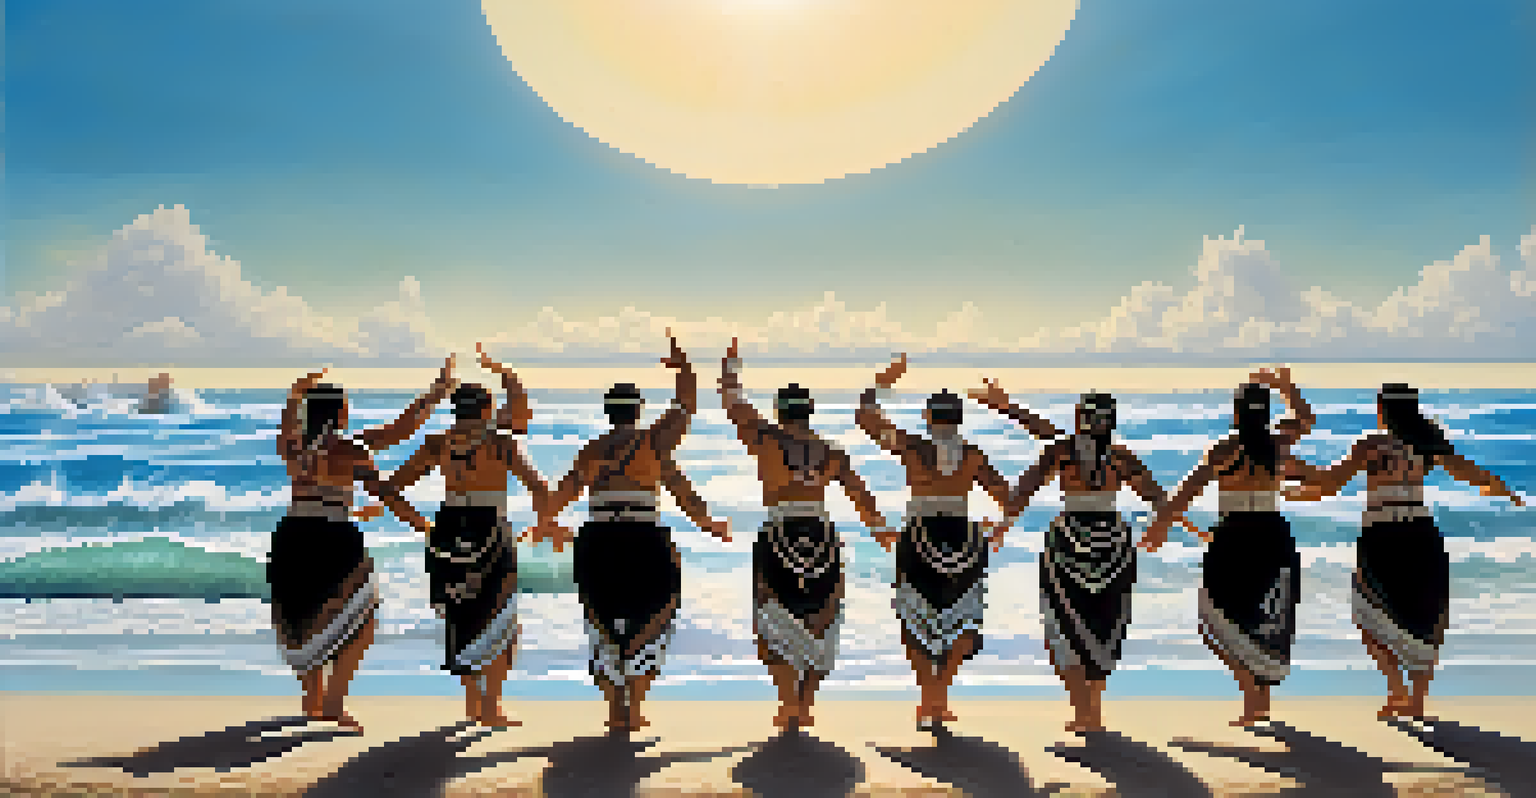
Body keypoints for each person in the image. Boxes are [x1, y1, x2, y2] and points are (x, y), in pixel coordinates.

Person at [1283, 383, 1525, 720]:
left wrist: (1294, 485)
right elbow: (1473, 474)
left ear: (1383, 409)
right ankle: (1417, 700)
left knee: (1368, 614)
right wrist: (1503, 490)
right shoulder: (1428, 445)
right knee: (1425, 616)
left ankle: (1396, 688)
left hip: (1382, 535)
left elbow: (1329, 484)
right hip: (1421, 534)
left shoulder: (1373, 445)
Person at [532, 331, 730, 732]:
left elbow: (563, 492)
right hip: (643, 538)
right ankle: (635, 707)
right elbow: (685, 410)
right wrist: (684, 368)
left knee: (600, 621)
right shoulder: (653, 445)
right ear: (637, 411)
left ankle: (613, 710)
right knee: (653, 616)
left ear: (609, 412)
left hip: (599, 539)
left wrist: (545, 525)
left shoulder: (591, 451)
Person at [268, 360, 453, 732]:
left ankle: (313, 701)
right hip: (333, 537)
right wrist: (424, 525)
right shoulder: (351, 450)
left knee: (302, 616)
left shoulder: (292, 446)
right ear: (340, 412)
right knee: (362, 620)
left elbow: (397, 432)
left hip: (292, 535)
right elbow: (385, 491)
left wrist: (294, 393)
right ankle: (333, 704)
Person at [719, 338, 890, 729]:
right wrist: (880, 531)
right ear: (810, 413)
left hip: (779, 530)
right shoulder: (831, 452)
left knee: (771, 619)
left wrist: (731, 371)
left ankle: (787, 703)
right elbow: (862, 495)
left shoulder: (764, 438)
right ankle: (805, 704)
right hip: (820, 534)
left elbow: (733, 405)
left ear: (779, 412)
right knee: (821, 621)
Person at [383, 344, 548, 728]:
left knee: (462, 616)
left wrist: (420, 523)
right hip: (490, 527)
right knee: (500, 616)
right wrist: (545, 523)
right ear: (487, 410)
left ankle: (474, 705)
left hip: (449, 528)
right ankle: (491, 708)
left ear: (455, 410)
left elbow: (390, 489)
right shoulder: (499, 444)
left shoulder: (437, 444)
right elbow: (538, 485)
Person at [1143, 368, 1317, 727]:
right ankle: (1259, 699)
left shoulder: (1225, 450)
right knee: (1267, 618)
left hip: (1234, 536)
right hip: (1272, 534)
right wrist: (1287, 388)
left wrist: (1160, 526)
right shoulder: (1277, 447)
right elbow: (1305, 419)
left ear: (1236, 414)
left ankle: (1254, 700)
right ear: (1265, 414)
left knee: (1213, 620)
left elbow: (1185, 494)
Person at [1006, 389, 1186, 733]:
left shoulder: (1062, 452)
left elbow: (1022, 491)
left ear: (1079, 419)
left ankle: (1082, 711)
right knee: (1105, 624)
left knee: (1063, 623)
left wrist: (1002, 525)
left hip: (1068, 539)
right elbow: (1158, 498)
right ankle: (1093, 710)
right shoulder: (1121, 457)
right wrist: (1168, 527)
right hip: (1113, 541)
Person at [856, 354, 1013, 730]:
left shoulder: (911, 447)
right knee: (962, 620)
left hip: (919, 535)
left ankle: (928, 698)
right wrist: (999, 525)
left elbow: (865, 417)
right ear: (958, 418)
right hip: (963, 536)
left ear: (928, 418)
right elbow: (1009, 496)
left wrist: (882, 382)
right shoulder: (973, 456)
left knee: (916, 620)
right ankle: (940, 696)